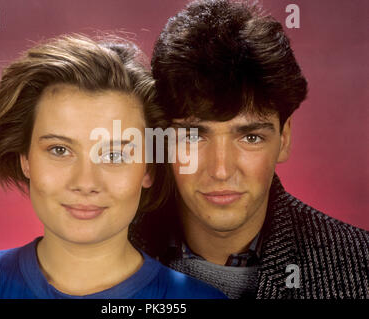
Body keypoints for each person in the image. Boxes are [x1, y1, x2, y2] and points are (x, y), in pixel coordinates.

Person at [0, 34, 226, 299]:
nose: (85, 182)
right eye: (60, 150)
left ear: (148, 169)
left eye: (115, 156)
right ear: (25, 159)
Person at [129, 0, 369, 299]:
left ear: (284, 138)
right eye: (193, 136)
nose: (221, 170)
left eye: (250, 138)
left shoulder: (360, 267)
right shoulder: (83, 257)